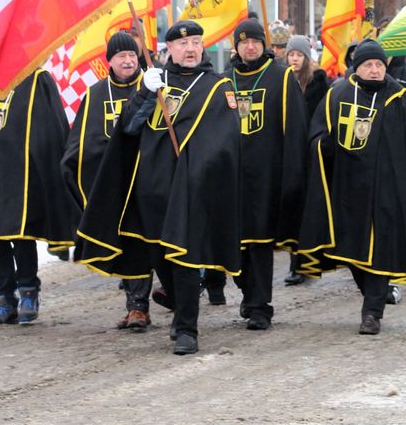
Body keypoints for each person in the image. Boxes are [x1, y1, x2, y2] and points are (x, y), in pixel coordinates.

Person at [77, 20, 242, 355]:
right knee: (159, 256)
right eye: (183, 44)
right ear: (169, 50)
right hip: (150, 188)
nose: (191, 48)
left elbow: (225, 140)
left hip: (190, 188)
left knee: (184, 256)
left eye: (196, 42)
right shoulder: (154, 81)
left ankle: (187, 330)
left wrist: (195, 162)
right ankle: (182, 308)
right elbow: (129, 129)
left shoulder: (217, 85)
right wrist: (142, 95)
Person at [298, 40, 406, 335]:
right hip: (348, 188)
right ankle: (373, 292)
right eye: (367, 65)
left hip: (388, 190)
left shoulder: (401, 99)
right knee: (350, 250)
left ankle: (372, 312)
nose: (374, 70)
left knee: (382, 249)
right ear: (357, 68)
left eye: (378, 65)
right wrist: (323, 146)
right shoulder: (338, 95)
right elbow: (319, 133)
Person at [0, 69, 79, 326]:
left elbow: (49, 129)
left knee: (22, 235)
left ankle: (29, 292)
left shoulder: (34, 79)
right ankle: (4, 298)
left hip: (20, 171)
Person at [211, 19, 308, 329]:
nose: (249, 46)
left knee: (260, 243)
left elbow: (295, 127)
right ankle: (249, 293)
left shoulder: (281, 77)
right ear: (235, 47)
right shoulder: (224, 81)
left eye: (254, 40)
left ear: (263, 44)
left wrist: (292, 173)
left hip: (267, 176)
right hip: (232, 178)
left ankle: (260, 307)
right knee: (234, 244)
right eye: (243, 42)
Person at [61, 31, 149, 329]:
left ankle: (154, 301)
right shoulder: (97, 93)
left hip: (145, 181)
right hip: (112, 184)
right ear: (109, 61)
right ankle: (136, 304)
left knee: (142, 242)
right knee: (123, 241)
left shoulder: (151, 88)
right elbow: (84, 139)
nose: (128, 60)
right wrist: (71, 164)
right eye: (121, 56)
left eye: (132, 55)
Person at [283, 33, 329, 286]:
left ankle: (305, 262)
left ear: (307, 58)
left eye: (299, 54)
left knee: (307, 209)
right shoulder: (281, 81)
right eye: (291, 54)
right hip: (290, 152)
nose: (294, 59)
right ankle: (294, 263)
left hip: (311, 153)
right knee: (292, 207)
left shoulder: (319, 83)